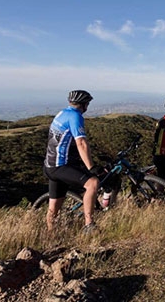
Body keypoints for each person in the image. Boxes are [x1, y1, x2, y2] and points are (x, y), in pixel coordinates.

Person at [43, 90, 100, 232]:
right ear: (84, 104)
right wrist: (91, 167)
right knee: (92, 183)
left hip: (50, 166)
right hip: (61, 165)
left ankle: (51, 235)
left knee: (54, 207)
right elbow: (81, 143)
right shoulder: (76, 116)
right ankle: (89, 225)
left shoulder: (62, 113)